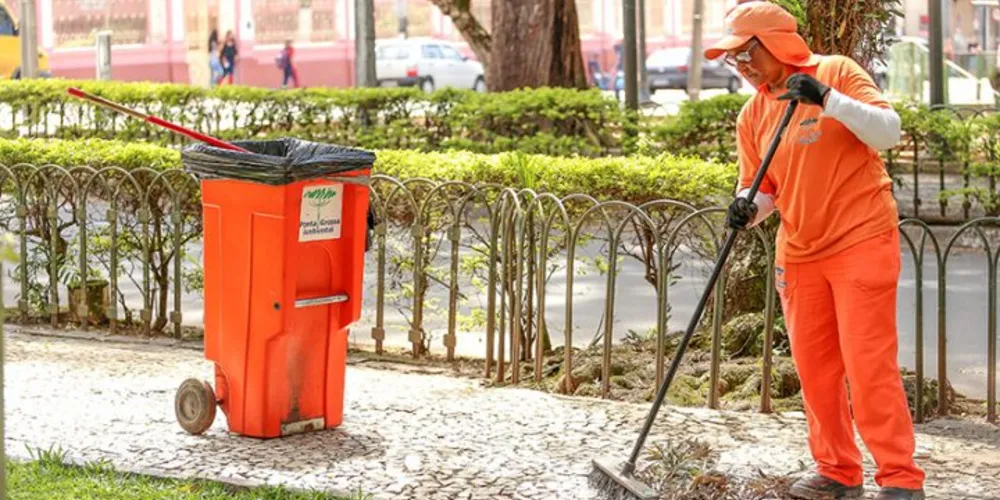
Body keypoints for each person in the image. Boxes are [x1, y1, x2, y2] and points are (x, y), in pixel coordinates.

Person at [704, 3, 925, 500]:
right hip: (800, 252)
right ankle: (837, 470)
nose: (741, 65)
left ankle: (900, 478)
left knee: (869, 365)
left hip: (860, 238)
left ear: (776, 43)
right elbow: (762, 187)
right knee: (816, 369)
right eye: (733, 58)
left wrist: (827, 99)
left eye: (747, 53)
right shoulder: (753, 113)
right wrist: (747, 207)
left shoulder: (836, 72)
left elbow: (888, 132)